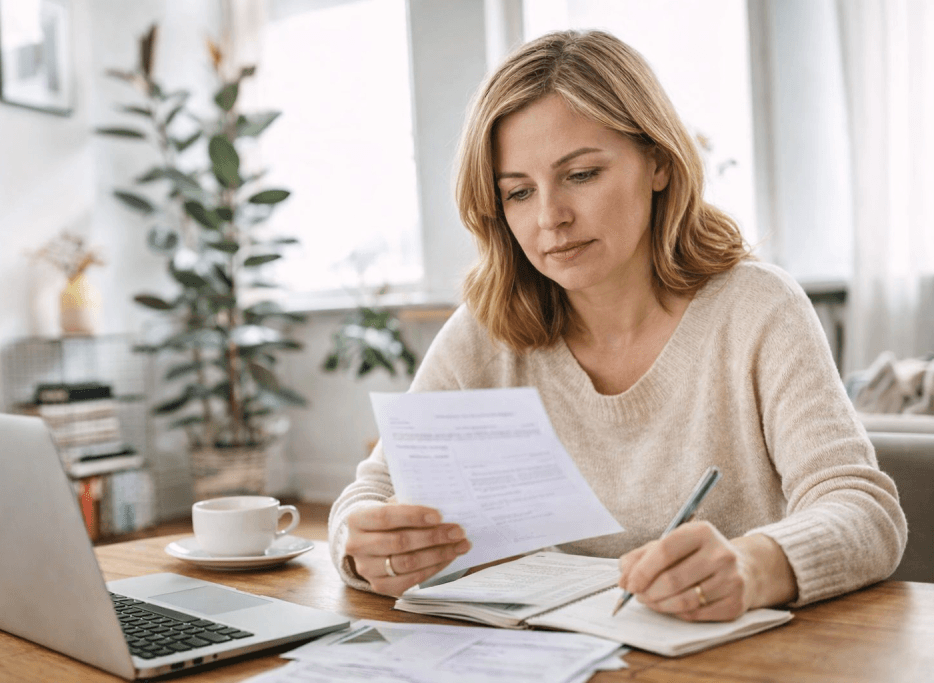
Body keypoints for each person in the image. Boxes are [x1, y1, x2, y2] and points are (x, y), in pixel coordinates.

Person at [328, 30, 906, 622]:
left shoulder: (758, 309)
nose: (550, 217)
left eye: (581, 175)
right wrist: (362, 545)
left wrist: (754, 566)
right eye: (520, 192)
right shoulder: (487, 331)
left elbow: (864, 510)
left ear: (657, 161)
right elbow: (368, 494)